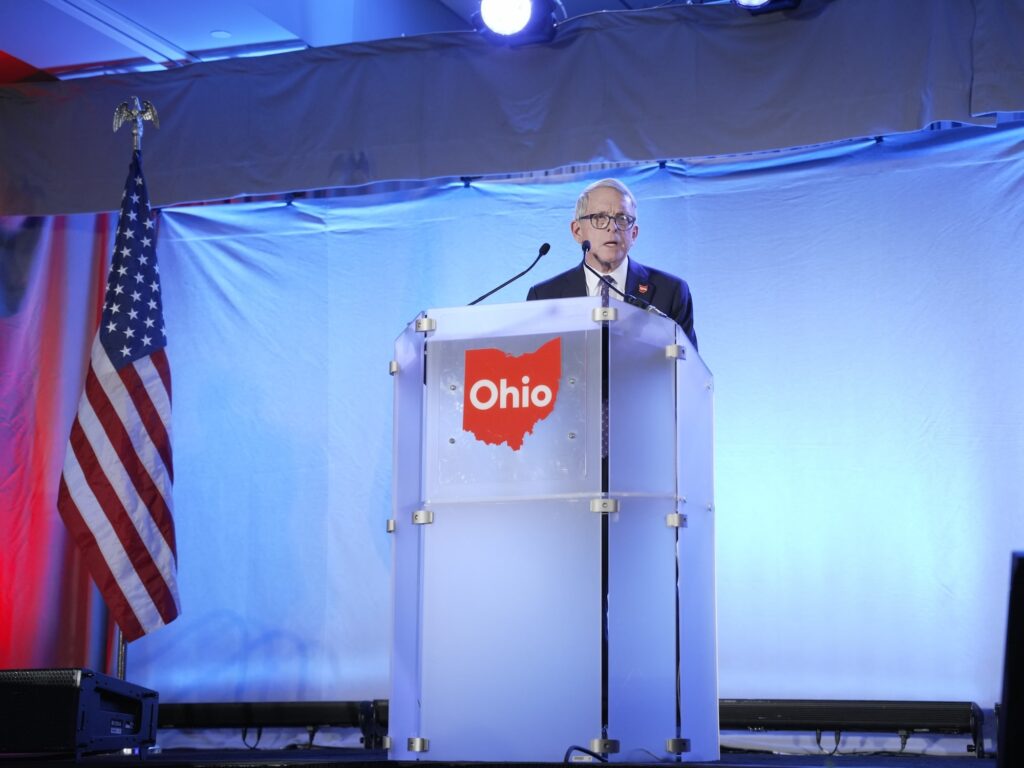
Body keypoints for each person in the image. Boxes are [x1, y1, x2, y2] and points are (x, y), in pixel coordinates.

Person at [526, 178, 697, 350]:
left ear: (634, 234)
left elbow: (687, 366)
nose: (612, 227)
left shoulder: (670, 291)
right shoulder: (544, 296)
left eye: (622, 218)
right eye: (599, 218)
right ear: (577, 231)